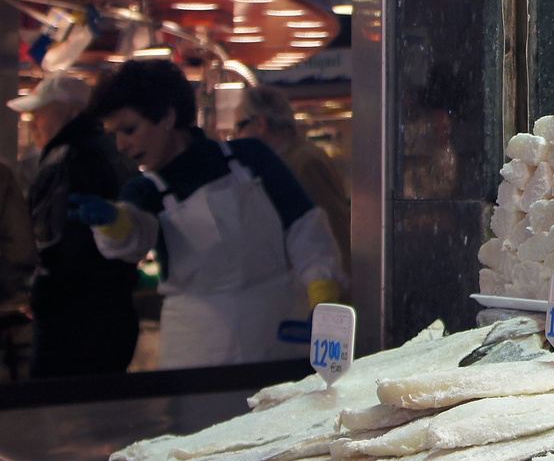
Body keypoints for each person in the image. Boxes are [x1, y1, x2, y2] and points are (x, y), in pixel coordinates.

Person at [71, 60, 345, 369]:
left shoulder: (252, 157)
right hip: (196, 353)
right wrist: (115, 223)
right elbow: (135, 235)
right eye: (114, 135)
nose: (121, 145)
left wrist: (323, 296)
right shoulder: (143, 191)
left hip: (278, 336)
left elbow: (305, 228)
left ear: (167, 116)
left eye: (129, 129)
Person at [9, 72, 140, 377]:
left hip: (71, 320)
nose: (32, 121)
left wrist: (36, 294)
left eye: (40, 112)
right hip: (116, 310)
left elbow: (56, 247)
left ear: (72, 111)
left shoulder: (65, 159)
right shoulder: (115, 150)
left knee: (53, 412)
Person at [236, 85, 350, 271]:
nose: (237, 136)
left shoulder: (304, 163)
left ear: (260, 124)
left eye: (239, 127)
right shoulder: (291, 160)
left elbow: (331, 235)